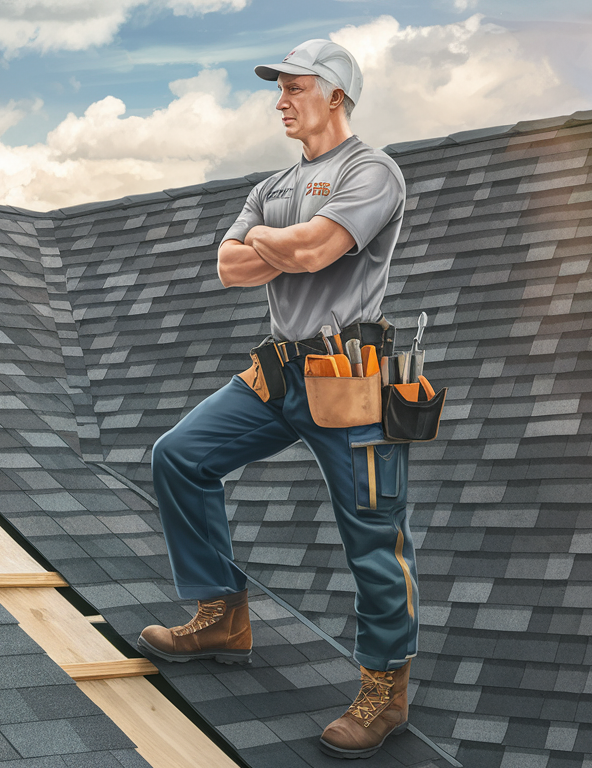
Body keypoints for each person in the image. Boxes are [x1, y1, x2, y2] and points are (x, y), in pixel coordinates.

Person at [135, 39, 417, 759]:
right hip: (280, 373)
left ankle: (385, 689)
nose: (282, 101)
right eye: (281, 89)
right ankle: (221, 615)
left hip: (351, 375)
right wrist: (276, 242)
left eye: (296, 88)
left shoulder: (372, 172)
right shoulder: (273, 185)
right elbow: (229, 267)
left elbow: (315, 252)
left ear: (336, 94)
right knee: (181, 456)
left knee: (371, 533)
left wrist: (272, 243)